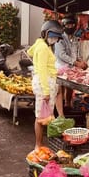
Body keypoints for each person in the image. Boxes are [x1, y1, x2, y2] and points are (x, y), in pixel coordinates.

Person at [27, 20, 63, 150]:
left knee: (45, 116)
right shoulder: (42, 47)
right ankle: (38, 145)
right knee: (41, 117)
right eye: (53, 36)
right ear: (46, 34)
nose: (55, 40)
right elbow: (42, 69)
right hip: (44, 82)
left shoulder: (40, 44)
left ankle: (41, 144)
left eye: (56, 37)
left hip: (45, 81)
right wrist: (47, 91)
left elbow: (30, 52)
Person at [55, 14, 88, 112]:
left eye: (72, 25)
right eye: (68, 25)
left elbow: (76, 54)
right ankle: (59, 108)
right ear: (64, 25)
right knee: (60, 89)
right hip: (60, 67)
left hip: (71, 67)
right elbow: (62, 55)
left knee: (70, 86)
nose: (70, 27)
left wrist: (81, 61)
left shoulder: (75, 39)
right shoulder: (59, 38)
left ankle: (68, 104)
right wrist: (76, 63)